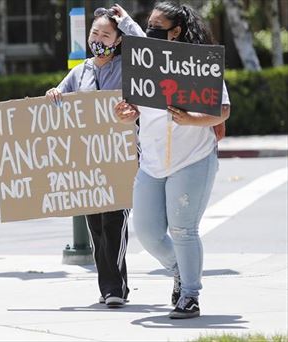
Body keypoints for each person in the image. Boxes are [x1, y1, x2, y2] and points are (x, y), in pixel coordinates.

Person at [111, 2, 231, 319]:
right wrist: (124, 115)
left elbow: (223, 109)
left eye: (157, 24)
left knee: (183, 230)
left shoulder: (198, 64)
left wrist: (191, 120)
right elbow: (129, 110)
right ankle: (180, 268)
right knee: (148, 232)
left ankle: (189, 294)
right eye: (148, 23)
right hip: (151, 162)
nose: (150, 28)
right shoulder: (142, 64)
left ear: (175, 32)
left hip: (192, 159)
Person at [46, 7, 131, 308]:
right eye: (95, 33)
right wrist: (54, 94)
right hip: (88, 161)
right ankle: (110, 286)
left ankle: (115, 286)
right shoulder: (80, 71)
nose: (98, 39)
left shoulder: (128, 68)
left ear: (119, 40)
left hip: (119, 157)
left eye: (106, 34)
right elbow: (59, 96)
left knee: (114, 221)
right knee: (96, 226)